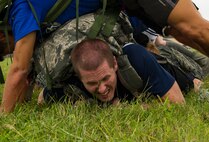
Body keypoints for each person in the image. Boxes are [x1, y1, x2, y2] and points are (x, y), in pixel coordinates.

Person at [1, 0, 208, 113]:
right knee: (181, 33)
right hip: (125, 21)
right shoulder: (68, 80)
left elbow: (19, 69)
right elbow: (36, 85)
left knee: (192, 29)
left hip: (136, 38)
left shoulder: (23, 8)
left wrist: (5, 116)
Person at [65, 38, 184, 104]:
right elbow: (46, 95)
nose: (101, 89)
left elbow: (178, 104)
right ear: (79, 77)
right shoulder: (69, 80)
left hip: (166, 65)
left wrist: (122, 107)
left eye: (106, 78)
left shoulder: (136, 58)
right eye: (91, 83)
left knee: (195, 84)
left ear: (115, 63)